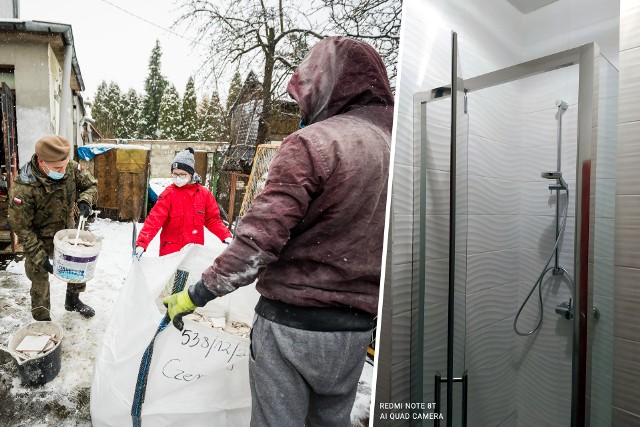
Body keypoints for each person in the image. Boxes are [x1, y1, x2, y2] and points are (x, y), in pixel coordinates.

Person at [164, 36, 393, 426]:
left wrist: (197, 294)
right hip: (353, 332)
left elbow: (258, 241)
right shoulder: (400, 148)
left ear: (326, 86)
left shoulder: (315, 144)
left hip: (292, 326)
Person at [8, 135, 98, 321]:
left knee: (77, 268)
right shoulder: (24, 187)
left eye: (65, 165)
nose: (63, 171)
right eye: (58, 168)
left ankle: (72, 300)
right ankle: (42, 319)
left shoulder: (70, 168)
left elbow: (91, 185)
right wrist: (41, 257)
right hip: (39, 238)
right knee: (39, 279)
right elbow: (21, 227)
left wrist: (85, 201)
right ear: (42, 162)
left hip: (68, 233)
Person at [134, 147, 232, 258]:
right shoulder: (168, 195)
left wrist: (226, 236)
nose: (178, 178)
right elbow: (154, 220)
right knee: (171, 276)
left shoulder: (204, 194)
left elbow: (212, 220)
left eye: (182, 174)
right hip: (170, 253)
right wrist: (142, 243)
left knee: (190, 275)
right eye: (175, 174)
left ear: (191, 174)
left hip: (193, 252)